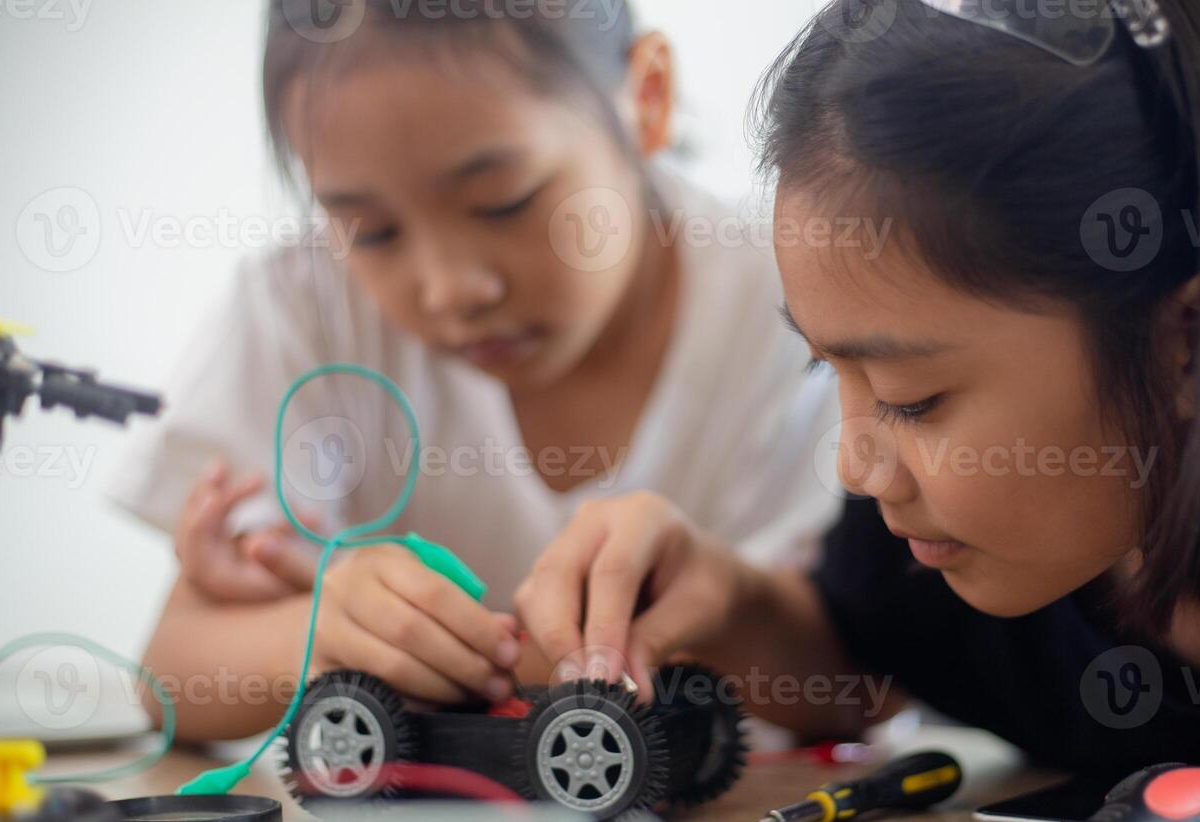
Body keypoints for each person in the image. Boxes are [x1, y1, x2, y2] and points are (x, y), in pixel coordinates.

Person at [514, 0, 1200, 821]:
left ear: (1190, 341)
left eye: (911, 399)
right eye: (828, 371)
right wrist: (728, 599)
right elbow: (860, 662)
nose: (855, 466)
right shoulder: (995, 543)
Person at [110, 0, 840, 739]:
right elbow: (170, 676)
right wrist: (319, 631)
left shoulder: (796, 297)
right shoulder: (308, 303)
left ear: (646, 99)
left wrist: (735, 603)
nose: (449, 288)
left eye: (503, 203)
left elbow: (863, 684)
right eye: (374, 231)